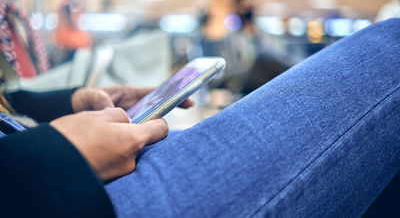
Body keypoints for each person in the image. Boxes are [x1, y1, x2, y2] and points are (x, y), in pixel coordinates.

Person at [1, 18, 400, 217]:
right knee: (390, 47)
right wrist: (55, 155)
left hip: (34, 163)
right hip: (46, 191)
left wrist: (64, 103)